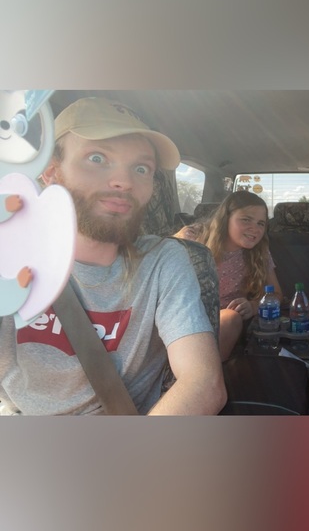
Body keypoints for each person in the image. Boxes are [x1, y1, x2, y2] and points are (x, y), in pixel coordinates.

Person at [0, 96, 227, 415]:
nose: (124, 182)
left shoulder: (164, 261)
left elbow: (203, 383)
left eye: (141, 168)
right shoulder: (9, 257)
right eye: (97, 158)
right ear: (51, 172)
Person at [175, 191, 282, 360]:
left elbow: (277, 294)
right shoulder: (196, 238)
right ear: (226, 218)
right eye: (246, 219)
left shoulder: (259, 253)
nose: (255, 228)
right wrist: (178, 239)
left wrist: (253, 305)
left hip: (223, 319)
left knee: (231, 318)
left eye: (261, 223)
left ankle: (209, 370)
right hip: (185, 315)